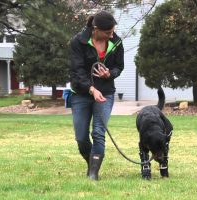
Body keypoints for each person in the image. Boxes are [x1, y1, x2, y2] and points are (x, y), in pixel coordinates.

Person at [70, 10, 124, 181]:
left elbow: (119, 67)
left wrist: (110, 74)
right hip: (81, 93)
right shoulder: (78, 42)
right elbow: (77, 71)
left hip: (106, 93)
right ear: (96, 29)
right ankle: (91, 162)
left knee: (99, 132)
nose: (111, 35)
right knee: (81, 137)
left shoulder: (116, 42)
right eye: (108, 32)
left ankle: (93, 174)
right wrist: (92, 89)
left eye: (112, 31)